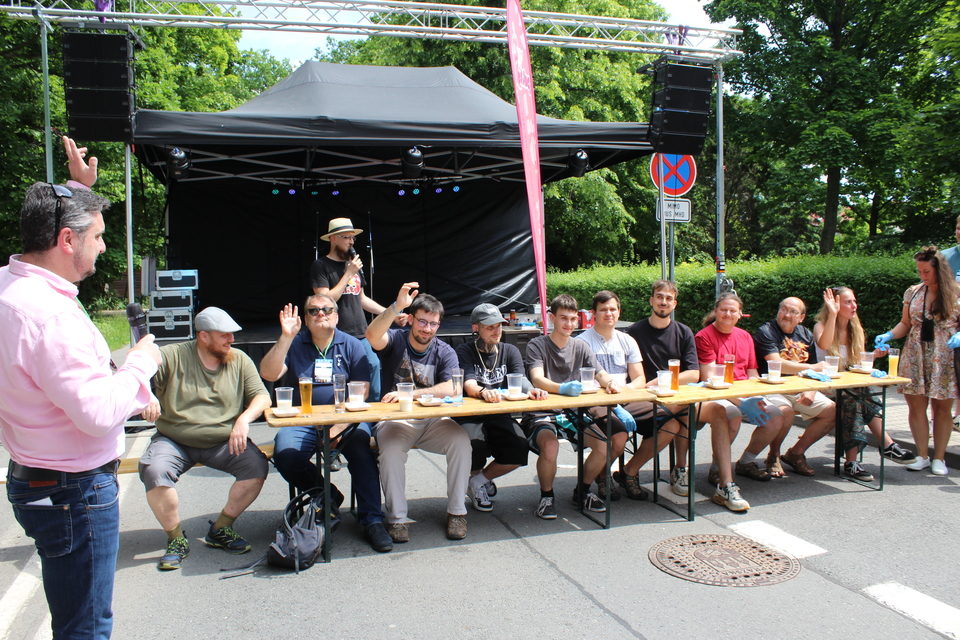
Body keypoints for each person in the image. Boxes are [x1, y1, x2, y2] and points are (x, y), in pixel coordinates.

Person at [0, 136, 161, 639]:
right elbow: (95, 414)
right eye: (98, 236)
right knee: (86, 626)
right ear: (67, 241)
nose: (104, 246)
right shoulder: (50, 316)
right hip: (74, 489)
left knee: (74, 616)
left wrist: (76, 189)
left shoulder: (10, 286)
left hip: (39, 481)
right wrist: (140, 364)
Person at [139, 307, 272, 570]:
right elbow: (139, 360)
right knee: (154, 470)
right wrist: (146, 392)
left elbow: (262, 396)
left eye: (232, 334)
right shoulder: (173, 355)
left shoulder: (239, 359)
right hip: (174, 440)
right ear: (203, 336)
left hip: (223, 441)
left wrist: (243, 420)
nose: (231, 340)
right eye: (224, 335)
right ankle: (176, 538)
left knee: (256, 466)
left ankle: (221, 528)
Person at [258, 295, 393, 553]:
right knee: (286, 454)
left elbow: (362, 391)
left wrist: (338, 427)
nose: (321, 313)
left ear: (337, 316)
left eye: (327, 309)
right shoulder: (294, 343)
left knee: (360, 448)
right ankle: (327, 494)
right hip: (303, 419)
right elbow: (268, 373)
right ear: (306, 319)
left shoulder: (352, 344)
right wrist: (285, 337)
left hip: (345, 418)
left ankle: (373, 521)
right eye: (314, 310)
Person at [366, 282, 471, 542]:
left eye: (433, 324)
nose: (427, 329)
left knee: (461, 441)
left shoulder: (444, 350)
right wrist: (395, 307)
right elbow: (372, 335)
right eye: (422, 321)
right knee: (390, 452)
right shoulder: (396, 339)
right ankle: (397, 519)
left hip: (433, 420)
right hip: (395, 420)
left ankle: (457, 512)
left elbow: (454, 387)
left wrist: (411, 394)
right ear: (411, 319)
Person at [522, 294, 626, 519]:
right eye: (563, 318)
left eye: (572, 319)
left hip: (573, 413)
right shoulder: (537, 345)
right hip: (542, 411)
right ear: (552, 318)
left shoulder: (581, 346)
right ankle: (547, 497)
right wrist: (562, 388)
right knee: (550, 446)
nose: (568, 324)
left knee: (603, 446)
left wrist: (611, 383)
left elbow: (600, 374)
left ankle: (583, 491)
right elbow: (537, 379)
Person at [577, 289, 685, 501]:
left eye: (613, 309)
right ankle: (602, 476)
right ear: (593, 313)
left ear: (619, 312)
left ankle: (629, 472)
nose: (609, 314)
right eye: (603, 310)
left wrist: (624, 391)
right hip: (596, 401)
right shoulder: (582, 342)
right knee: (618, 436)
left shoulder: (627, 340)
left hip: (626, 398)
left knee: (671, 424)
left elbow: (639, 379)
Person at [695, 292, 786, 512]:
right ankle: (717, 469)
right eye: (723, 310)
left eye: (732, 310)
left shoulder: (745, 336)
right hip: (717, 394)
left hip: (743, 393)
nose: (727, 314)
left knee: (776, 416)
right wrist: (741, 402)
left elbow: (752, 373)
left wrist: (756, 398)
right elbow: (709, 377)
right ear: (715, 311)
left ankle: (746, 462)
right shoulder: (703, 336)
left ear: (740, 314)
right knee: (732, 416)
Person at [814, 286, 917, 478]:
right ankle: (882, 448)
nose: (854, 306)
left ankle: (858, 459)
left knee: (859, 395)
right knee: (854, 397)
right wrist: (833, 315)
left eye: (854, 301)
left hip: (848, 386)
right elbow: (824, 345)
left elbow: (857, 365)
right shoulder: (821, 326)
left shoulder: (856, 329)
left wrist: (874, 356)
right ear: (835, 305)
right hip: (825, 385)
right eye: (848, 302)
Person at [875, 246, 960, 476]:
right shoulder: (913, 292)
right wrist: (890, 334)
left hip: (944, 356)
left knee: (942, 409)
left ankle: (939, 458)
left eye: (926, 272)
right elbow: (906, 323)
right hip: (915, 354)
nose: (922, 276)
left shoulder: (956, 292)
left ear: (939, 270)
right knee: (916, 406)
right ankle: (922, 455)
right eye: (919, 271)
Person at [455, 303, 547, 511]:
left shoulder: (509, 350)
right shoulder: (464, 351)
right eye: (490, 327)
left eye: (499, 325)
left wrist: (532, 390)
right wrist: (482, 392)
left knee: (519, 446)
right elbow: (468, 384)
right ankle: (477, 480)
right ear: (476, 328)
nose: (496, 331)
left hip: (499, 414)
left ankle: (478, 481)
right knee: (473, 445)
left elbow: (520, 379)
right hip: (470, 415)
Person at [311, 217, 407, 401]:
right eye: (346, 237)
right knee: (338, 375)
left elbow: (361, 299)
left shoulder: (352, 265)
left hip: (361, 332)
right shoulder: (321, 266)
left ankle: (373, 412)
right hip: (335, 333)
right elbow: (325, 302)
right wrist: (348, 273)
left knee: (373, 365)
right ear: (333, 239)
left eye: (352, 238)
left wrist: (392, 314)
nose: (351, 242)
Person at [624, 280, 700, 497]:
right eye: (659, 297)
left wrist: (660, 381)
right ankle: (678, 469)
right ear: (651, 300)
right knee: (684, 410)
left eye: (668, 298)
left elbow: (694, 374)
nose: (663, 302)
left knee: (688, 416)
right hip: (642, 397)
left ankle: (677, 469)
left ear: (674, 304)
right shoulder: (633, 332)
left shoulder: (683, 332)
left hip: (670, 395)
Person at [752, 297, 838, 478]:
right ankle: (774, 455)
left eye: (793, 312)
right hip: (773, 387)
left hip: (800, 387)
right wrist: (812, 368)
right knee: (786, 412)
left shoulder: (805, 334)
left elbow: (815, 371)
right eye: (784, 309)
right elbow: (776, 363)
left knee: (834, 412)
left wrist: (811, 390)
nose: (787, 315)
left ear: (802, 317)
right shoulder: (766, 331)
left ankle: (796, 453)